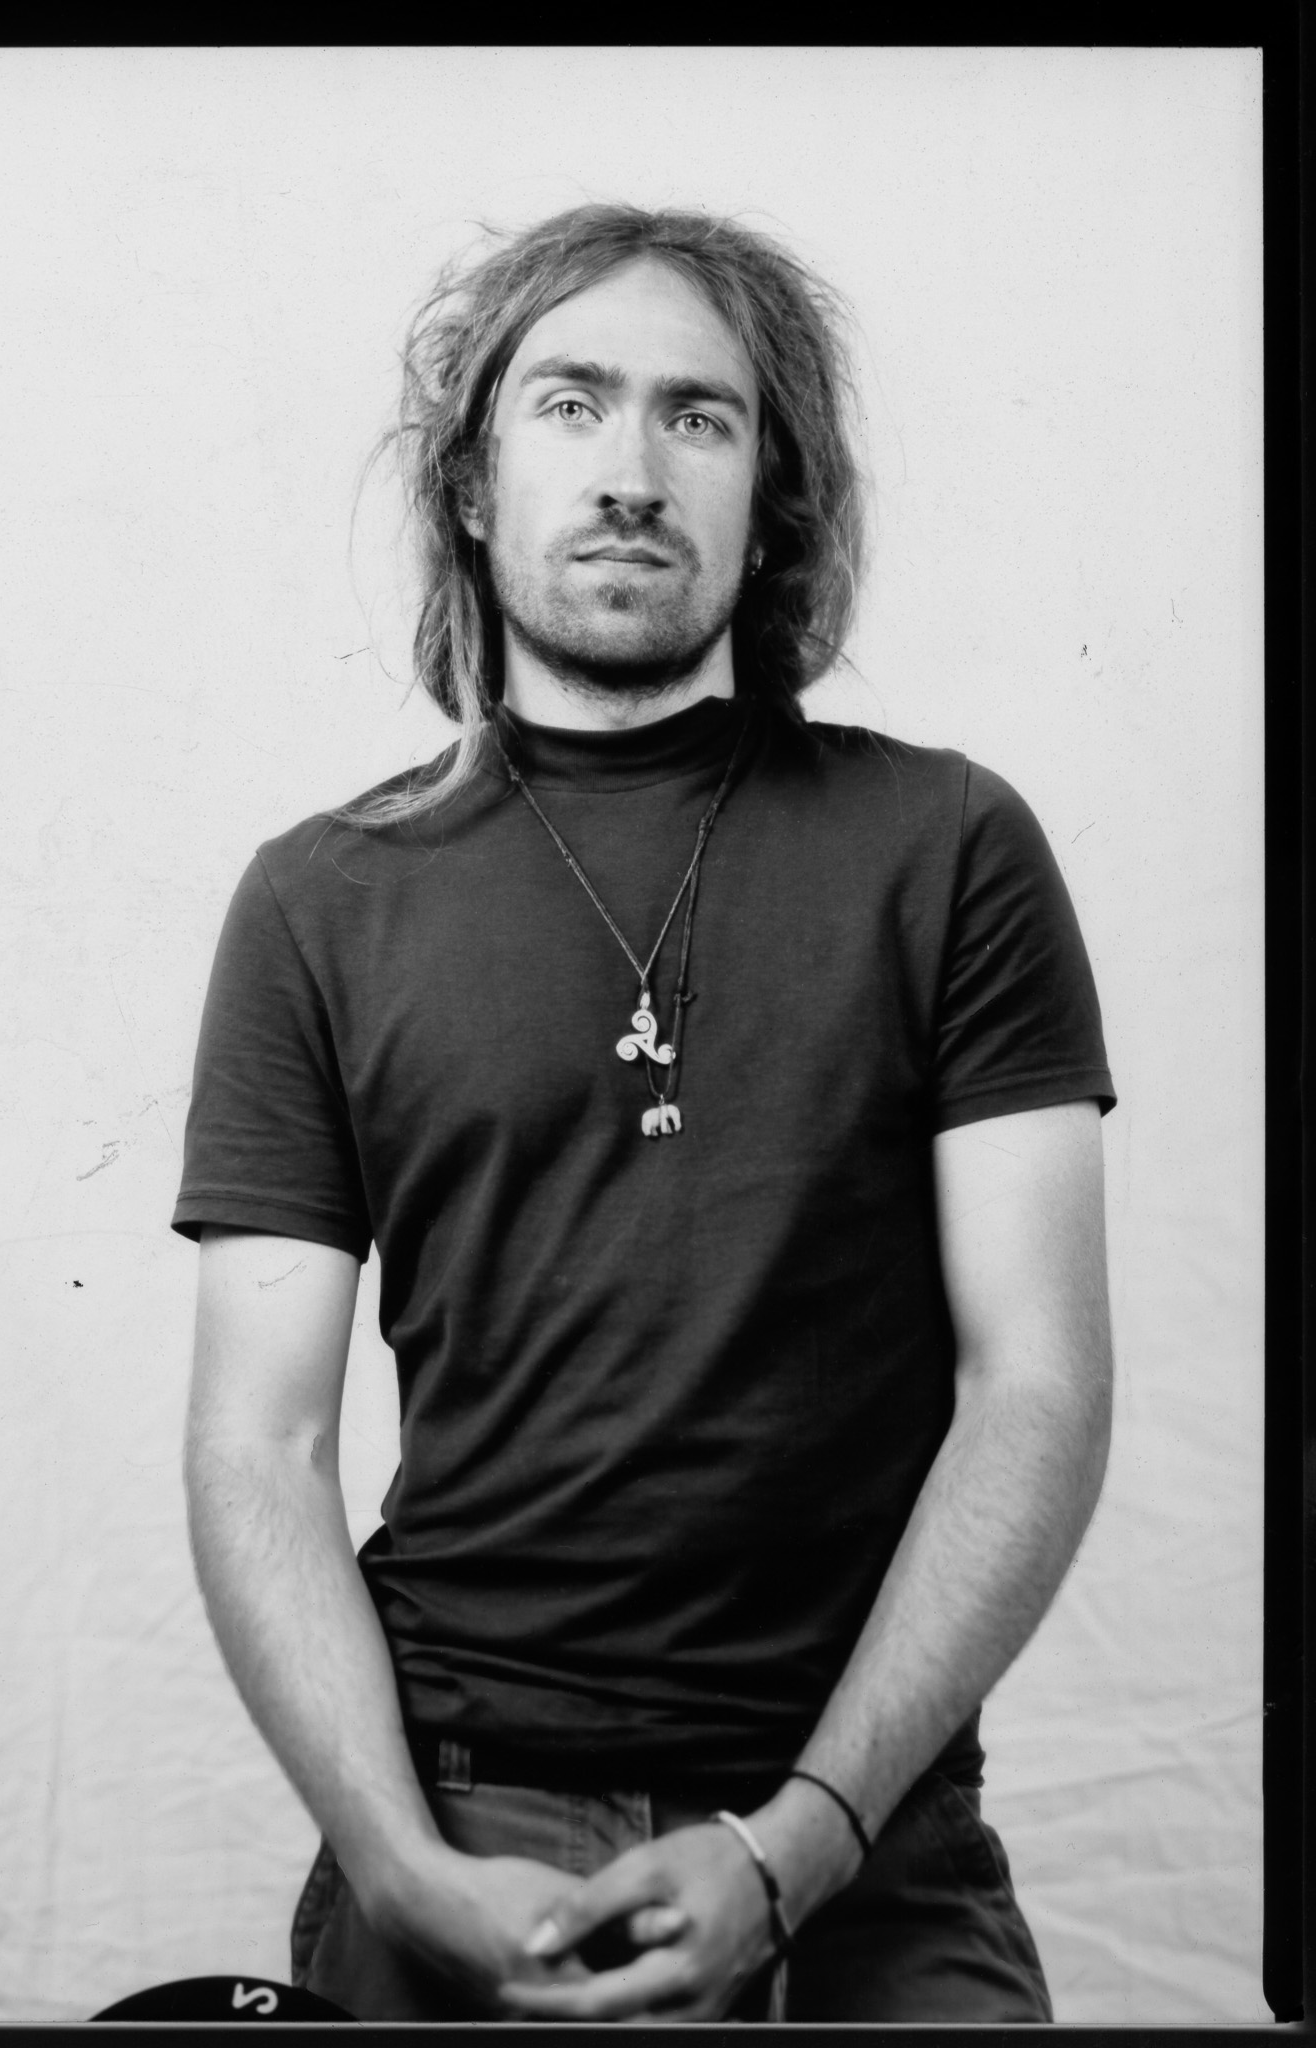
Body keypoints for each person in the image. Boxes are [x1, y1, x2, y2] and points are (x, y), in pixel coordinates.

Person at [173, 203, 1115, 2024]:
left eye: (699, 417)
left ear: (775, 502)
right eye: (571, 402)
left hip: (862, 1825)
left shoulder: (950, 848)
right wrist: (394, 1870)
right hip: (458, 1808)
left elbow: (1041, 1386)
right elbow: (257, 1449)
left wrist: (807, 1841)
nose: (630, 468)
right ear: (470, 481)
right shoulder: (319, 900)